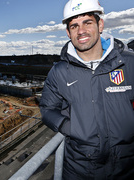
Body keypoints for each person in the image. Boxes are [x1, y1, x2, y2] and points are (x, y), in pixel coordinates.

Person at [39, 0, 134, 179]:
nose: (81, 31)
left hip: (127, 166)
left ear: (100, 25)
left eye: (87, 22)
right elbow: (47, 109)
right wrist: (69, 126)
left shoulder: (129, 63)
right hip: (80, 169)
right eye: (74, 26)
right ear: (68, 32)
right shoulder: (59, 72)